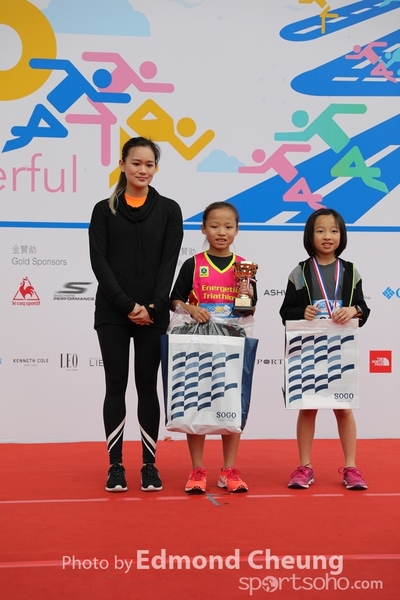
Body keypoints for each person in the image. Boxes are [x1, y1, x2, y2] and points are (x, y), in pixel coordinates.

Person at [89, 136, 183, 493]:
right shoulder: (104, 210)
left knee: (147, 386)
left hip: (153, 314)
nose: (143, 170)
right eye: (136, 163)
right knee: (115, 385)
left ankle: (149, 465)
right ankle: (115, 466)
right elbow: (99, 261)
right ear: (123, 165)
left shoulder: (169, 210)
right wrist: (127, 305)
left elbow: (168, 263)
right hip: (112, 313)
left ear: (156, 168)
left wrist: (154, 306)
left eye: (149, 164)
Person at [279, 208, 370, 491]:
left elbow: (364, 310)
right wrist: (301, 311)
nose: (327, 236)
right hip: (308, 349)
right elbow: (285, 312)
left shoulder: (351, 271)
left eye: (333, 230)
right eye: (320, 231)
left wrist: (353, 310)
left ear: (342, 235)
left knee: (343, 408)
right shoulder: (299, 272)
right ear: (310, 235)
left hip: (341, 349)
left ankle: (351, 467)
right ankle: (304, 466)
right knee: (308, 407)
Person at [170, 201, 257, 494]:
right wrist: (190, 308)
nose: (221, 232)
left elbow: (250, 309)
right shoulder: (193, 264)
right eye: (215, 226)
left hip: (232, 340)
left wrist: (247, 297)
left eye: (228, 226)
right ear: (203, 228)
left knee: (231, 402)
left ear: (237, 230)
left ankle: (228, 470)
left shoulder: (244, 267)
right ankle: (197, 469)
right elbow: (174, 299)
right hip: (197, 340)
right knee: (197, 402)